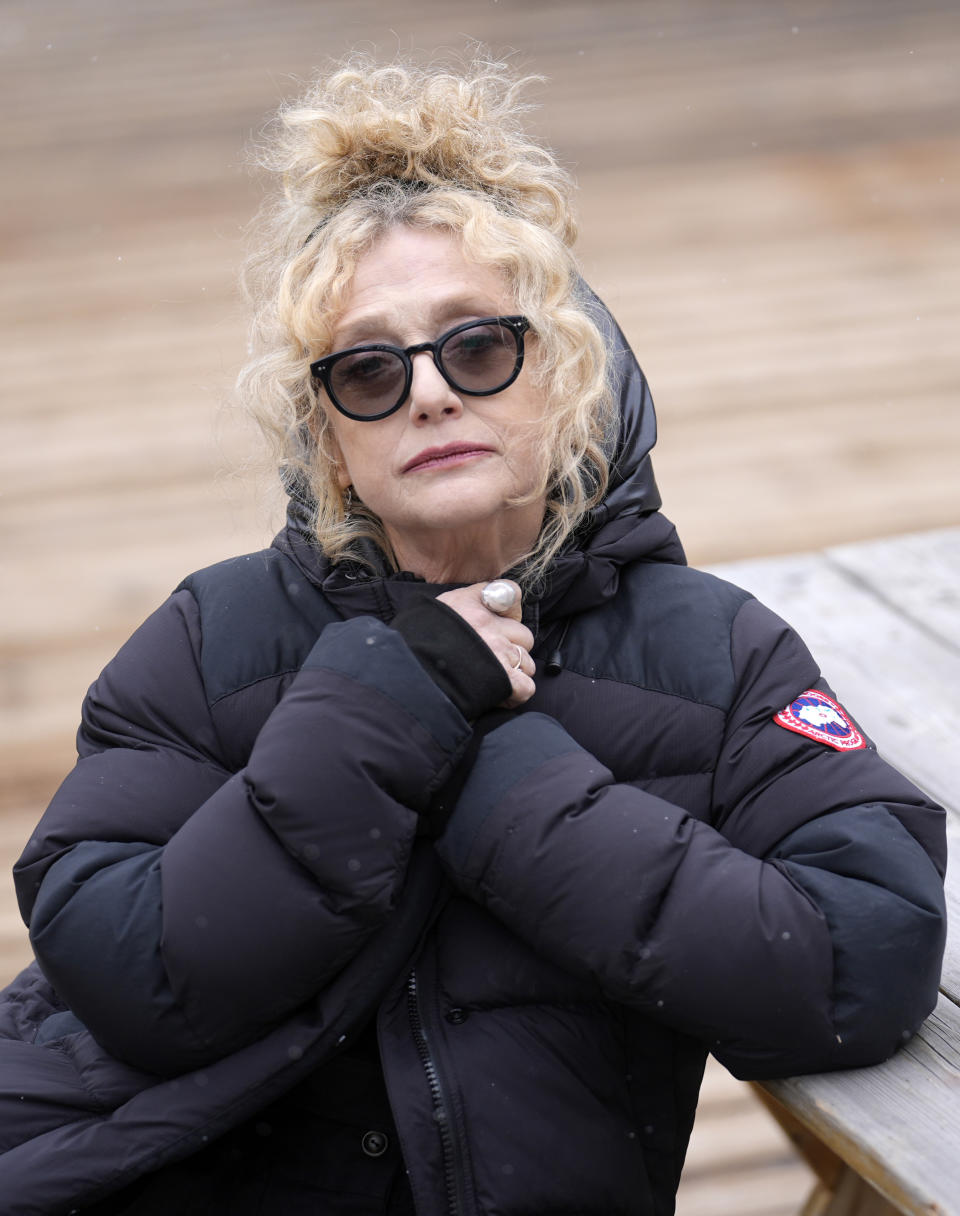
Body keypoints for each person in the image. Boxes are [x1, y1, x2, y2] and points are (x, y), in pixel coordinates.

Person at [0, 56, 947, 1216]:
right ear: (325, 435)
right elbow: (124, 965)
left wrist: (500, 772)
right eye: (368, 370)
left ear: (568, 373)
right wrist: (385, 708)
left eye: (480, 347)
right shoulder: (210, 638)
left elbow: (865, 957)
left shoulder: (716, 655)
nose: (431, 395)